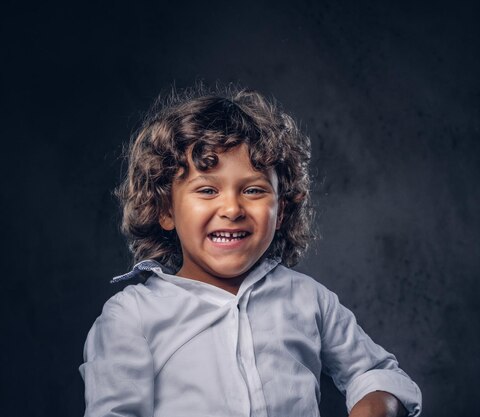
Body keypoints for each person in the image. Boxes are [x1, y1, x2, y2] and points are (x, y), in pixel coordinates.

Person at [79, 85, 422, 417]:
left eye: (254, 190)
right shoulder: (131, 316)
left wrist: (376, 403)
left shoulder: (309, 300)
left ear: (282, 210)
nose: (232, 208)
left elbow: (378, 376)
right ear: (166, 210)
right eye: (208, 190)